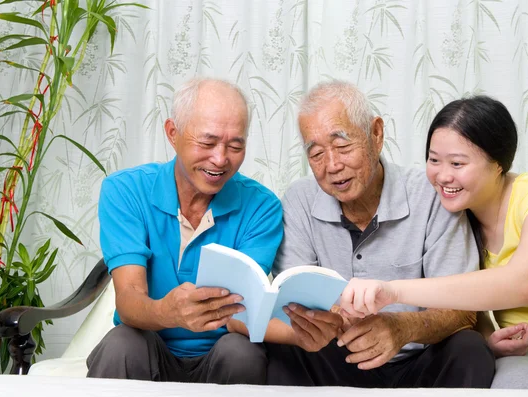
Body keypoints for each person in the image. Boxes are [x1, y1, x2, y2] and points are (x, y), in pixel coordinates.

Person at [228, 80, 495, 388]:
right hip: (337, 358)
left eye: (343, 146)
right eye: (316, 154)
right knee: (281, 352)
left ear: (376, 134)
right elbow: (294, 299)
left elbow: (462, 311)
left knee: (470, 350)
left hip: (418, 357)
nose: (332, 165)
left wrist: (401, 328)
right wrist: (331, 317)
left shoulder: (431, 195)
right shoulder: (300, 199)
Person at [340, 95, 528, 392]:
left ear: (499, 163)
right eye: (434, 160)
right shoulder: (458, 215)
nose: (443, 175)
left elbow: (526, 283)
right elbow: (473, 296)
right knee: (514, 384)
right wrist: (490, 336)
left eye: (458, 163)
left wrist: (393, 290)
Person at [86, 78, 283, 383]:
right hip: (147, 346)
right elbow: (128, 299)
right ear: (172, 133)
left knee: (242, 352)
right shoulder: (125, 190)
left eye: (235, 145)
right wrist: (168, 312)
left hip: (222, 353)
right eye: (207, 142)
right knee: (123, 343)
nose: (220, 159)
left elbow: (240, 313)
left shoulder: (262, 206)